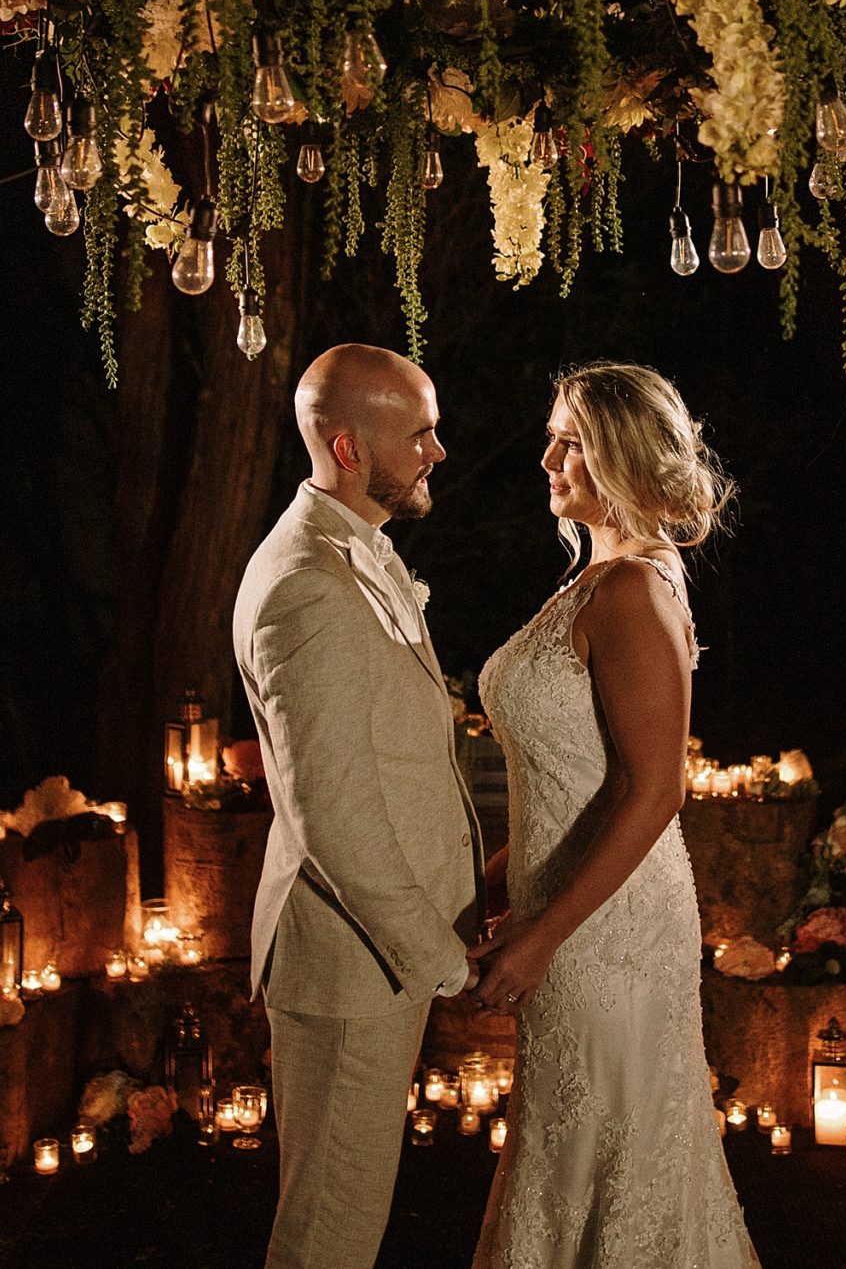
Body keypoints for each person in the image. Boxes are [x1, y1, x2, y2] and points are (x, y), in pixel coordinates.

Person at [467, 361, 759, 1269]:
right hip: (573, 905)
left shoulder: (631, 591)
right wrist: (487, 879)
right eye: (553, 434)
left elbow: (654, 789)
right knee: (568, 1140)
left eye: (573, 441)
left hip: (611, 927)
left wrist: (543, 932)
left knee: (616, 1148)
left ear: (625, 456)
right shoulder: (592, 582)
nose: (548, 455)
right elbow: (576, 781)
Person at [232, 343, 484, 1269]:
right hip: (351, 962)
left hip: (376, 959)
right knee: (328, 1233)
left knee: (345, 1217)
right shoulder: (307, 585)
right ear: (346, 445)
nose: (437, 450)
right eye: (419, 433)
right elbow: (330, 813)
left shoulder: (355, 551)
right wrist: (440, 955)